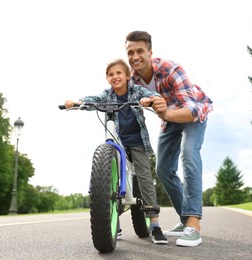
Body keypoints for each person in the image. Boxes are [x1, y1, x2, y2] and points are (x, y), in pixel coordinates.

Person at [64, 59, 167, 244]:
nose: (115, 77)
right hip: (116, 141)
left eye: (119, 73)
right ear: (107, 79)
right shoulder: (107, 95)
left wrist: (149, 100)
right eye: (111, 74)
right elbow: (93, 100)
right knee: (109, 177)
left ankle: (155, 225)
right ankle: (113, 223)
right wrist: (78, 102)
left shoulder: (136, 91)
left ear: (127, 76)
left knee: (144, 176)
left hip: (136, 142)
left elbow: (153, 95)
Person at [124, 31, 213, 247]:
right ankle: (184, 219)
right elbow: (117, 96)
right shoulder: (132, 78)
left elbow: (191, 109)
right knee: (163, 170)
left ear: (150, 52)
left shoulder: (170, 69)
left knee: (190, 155)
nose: (135, 57)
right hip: (169, 119)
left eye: (140, 51)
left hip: (192, 114)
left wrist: (165, 114)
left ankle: (193, 223)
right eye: (130, 52)